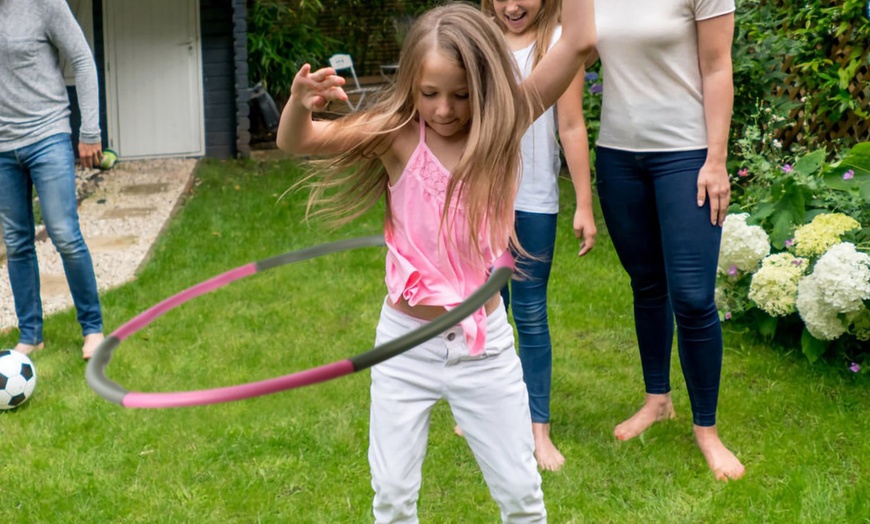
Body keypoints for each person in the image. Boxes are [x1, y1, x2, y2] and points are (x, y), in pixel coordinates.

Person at [276, 1, 595, 520]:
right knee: (393, 495)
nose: (445, 109)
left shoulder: (502, 125)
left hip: (484, 348)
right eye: (430, 94)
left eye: (461, 95)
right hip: (405, 345)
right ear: (411, 87)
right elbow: (299, 141)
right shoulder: (395, 136)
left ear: (484, 88)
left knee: (521, 493)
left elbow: (579, 40)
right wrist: (298, 105)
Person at [590, 0, 745, 480]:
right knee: (647, 284)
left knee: (694, 298)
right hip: (617, 158)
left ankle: (707, 430)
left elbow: (718, 66)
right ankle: (657, 400)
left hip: (686, 154)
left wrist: (716, 160)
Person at [480, 0, 596, 472]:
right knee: (488, 312)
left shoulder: (557, 45)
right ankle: (485, 411)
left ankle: (537, 430)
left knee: (529, 314)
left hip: (534, 201)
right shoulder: (478, 41)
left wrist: (585, 204)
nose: (512, 5)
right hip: (482, 202)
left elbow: (570, 125)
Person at [0, 0, 106, 360]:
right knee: (16, 242)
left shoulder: (43, 3)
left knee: (63, 233)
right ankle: (31, 335)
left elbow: (82, 60)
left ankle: (92, 329)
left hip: (48, 135)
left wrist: (89, 129)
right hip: (2, 148)